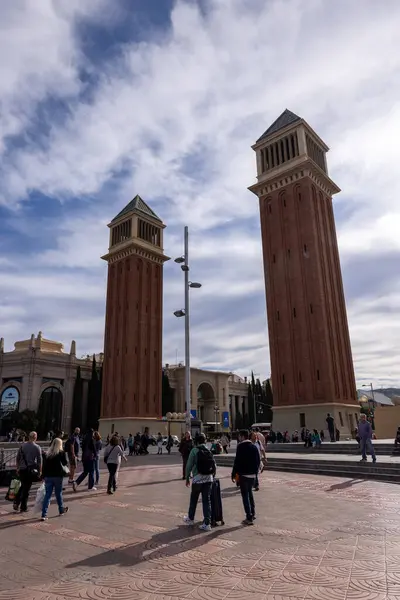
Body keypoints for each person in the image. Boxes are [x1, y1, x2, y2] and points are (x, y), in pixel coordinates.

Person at [183, 433, 216, 531]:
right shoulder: (208, 450)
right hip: (208, 479)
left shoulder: (194, 450)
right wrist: (212, 476)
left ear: (196, 441)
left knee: (194, 499)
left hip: (197, 479)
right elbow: (214, 465)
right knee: (207, 501)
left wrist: (187, 477)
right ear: (205, 440)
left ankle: (190, 518)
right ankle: (207, 523)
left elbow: (189, 465)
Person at [232, 430, 260, 525]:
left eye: (239, 436)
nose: (239, 438)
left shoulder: (240, 446)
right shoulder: (253, 446)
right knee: (250, 494)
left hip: (244, 475)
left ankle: (249, 517)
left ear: (242, 436)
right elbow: (258, 461)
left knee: (245, 496)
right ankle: (253, 513)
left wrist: (234, 473)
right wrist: (255, 473)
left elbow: (237, 461)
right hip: (252, 475)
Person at [40, 437, 69, 521]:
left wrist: (43, 476)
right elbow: (65, 463)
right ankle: (61, 510)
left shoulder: (48, 454)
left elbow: (44, 467)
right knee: (58, 494)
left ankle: (44, 514)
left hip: (48, 476)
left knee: (47, 495)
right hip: (58, 476)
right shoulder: (61, 453)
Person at [14, 431, 42, 513]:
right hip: (30, 470)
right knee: (26, 488)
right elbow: (40, 461)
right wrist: (40, 471)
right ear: (35, 437)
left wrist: (17, 468)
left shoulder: (22, 446)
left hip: (22, 469)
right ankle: (23, 507)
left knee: (23, 486)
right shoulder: (37, 447)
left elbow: (17, 458)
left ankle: (16, 502)